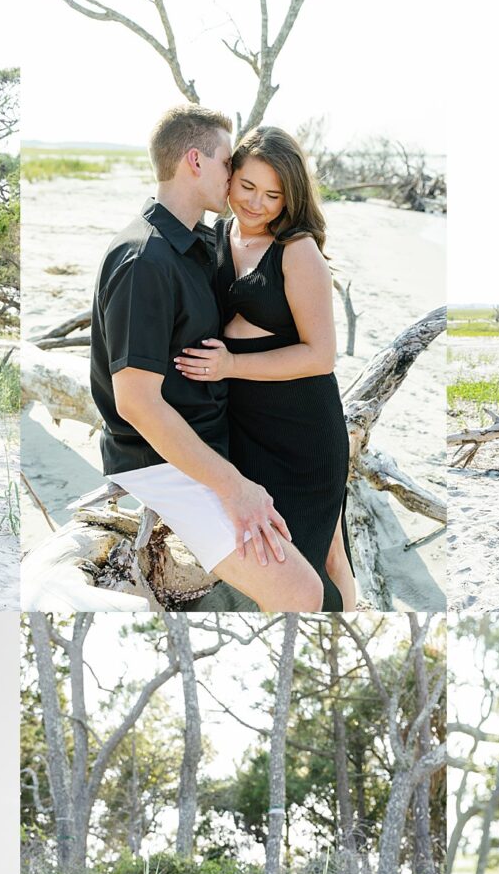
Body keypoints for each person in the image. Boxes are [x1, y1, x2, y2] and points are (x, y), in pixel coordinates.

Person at [87, 104, 324, 612]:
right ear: (195, 161)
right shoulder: (145, 260)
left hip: (213, 442)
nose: (234, 175)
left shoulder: (195, 245)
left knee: (318, 548)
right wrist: (234, 488)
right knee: (301, 593)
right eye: (226, 164)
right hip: (165, 464)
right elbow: (137, 405)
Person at [174, 124, 355, 607]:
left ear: (289, 199)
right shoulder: (213, 236)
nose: (256, 204)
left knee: (318, 559)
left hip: (303, 433)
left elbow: (320, 356)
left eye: (273, 195)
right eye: (247, 187)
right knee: (292, 556)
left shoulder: (297, 251)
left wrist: (230, 364)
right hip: (244, 432)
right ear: (228, 178)